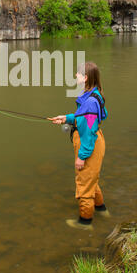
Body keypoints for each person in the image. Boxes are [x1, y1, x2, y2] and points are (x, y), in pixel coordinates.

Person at [48, 61, 109, 230]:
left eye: (78, 74)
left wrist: (82, 157)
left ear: (86, 77)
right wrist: (66, 118)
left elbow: (88, 132)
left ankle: (85, 222)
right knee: (92, 179)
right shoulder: (93, 95)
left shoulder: (89, 102)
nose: (76, 76)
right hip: (95, 140)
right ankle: (102, 210)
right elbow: (86, 119)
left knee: (83, 182)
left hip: (89, 144)